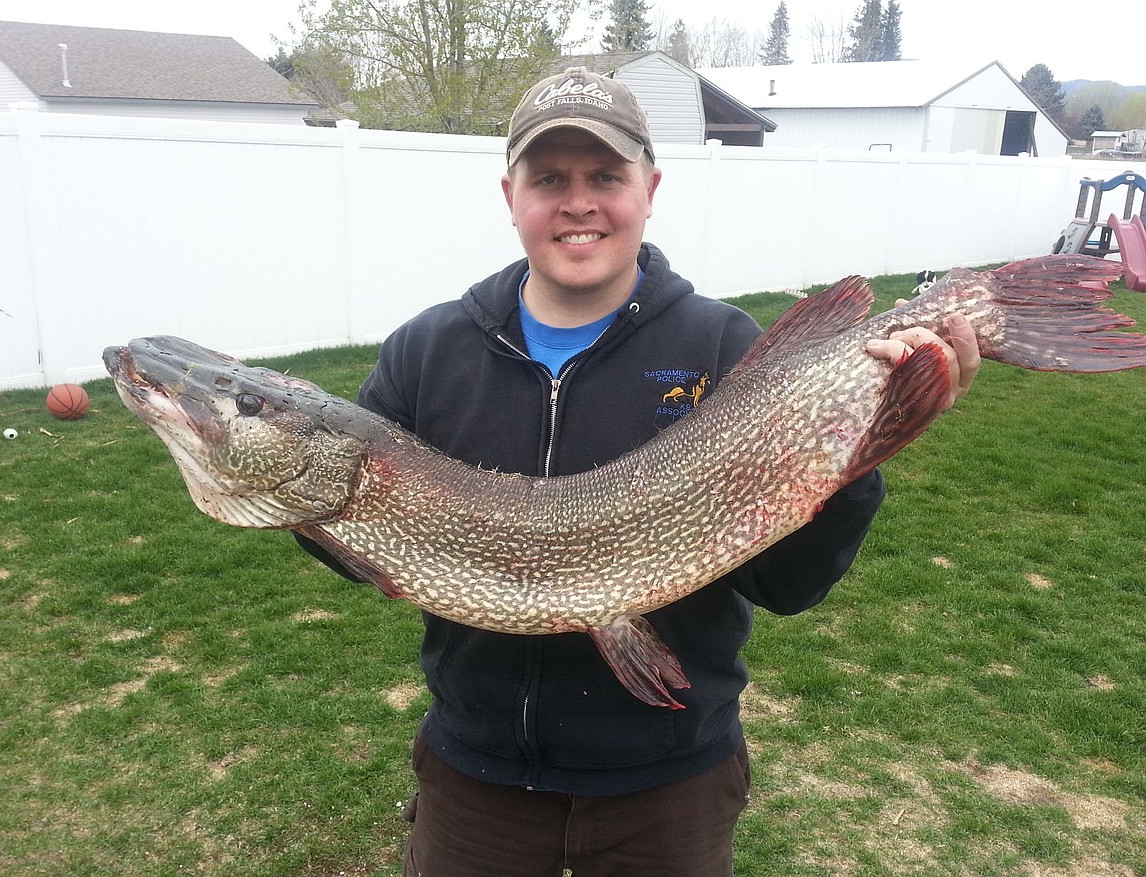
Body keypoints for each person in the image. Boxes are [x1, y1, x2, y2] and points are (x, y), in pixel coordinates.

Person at [302, 66, 980, 876]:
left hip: (670, 784)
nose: (578, 201)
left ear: (649, 188)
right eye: (550, 177)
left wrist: (860, 446)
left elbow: (789, 586)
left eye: (606, 176)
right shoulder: (427, 351)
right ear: (510, 194)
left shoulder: (724, 350)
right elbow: (358, 535)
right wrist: (290, 492)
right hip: (476, 776)